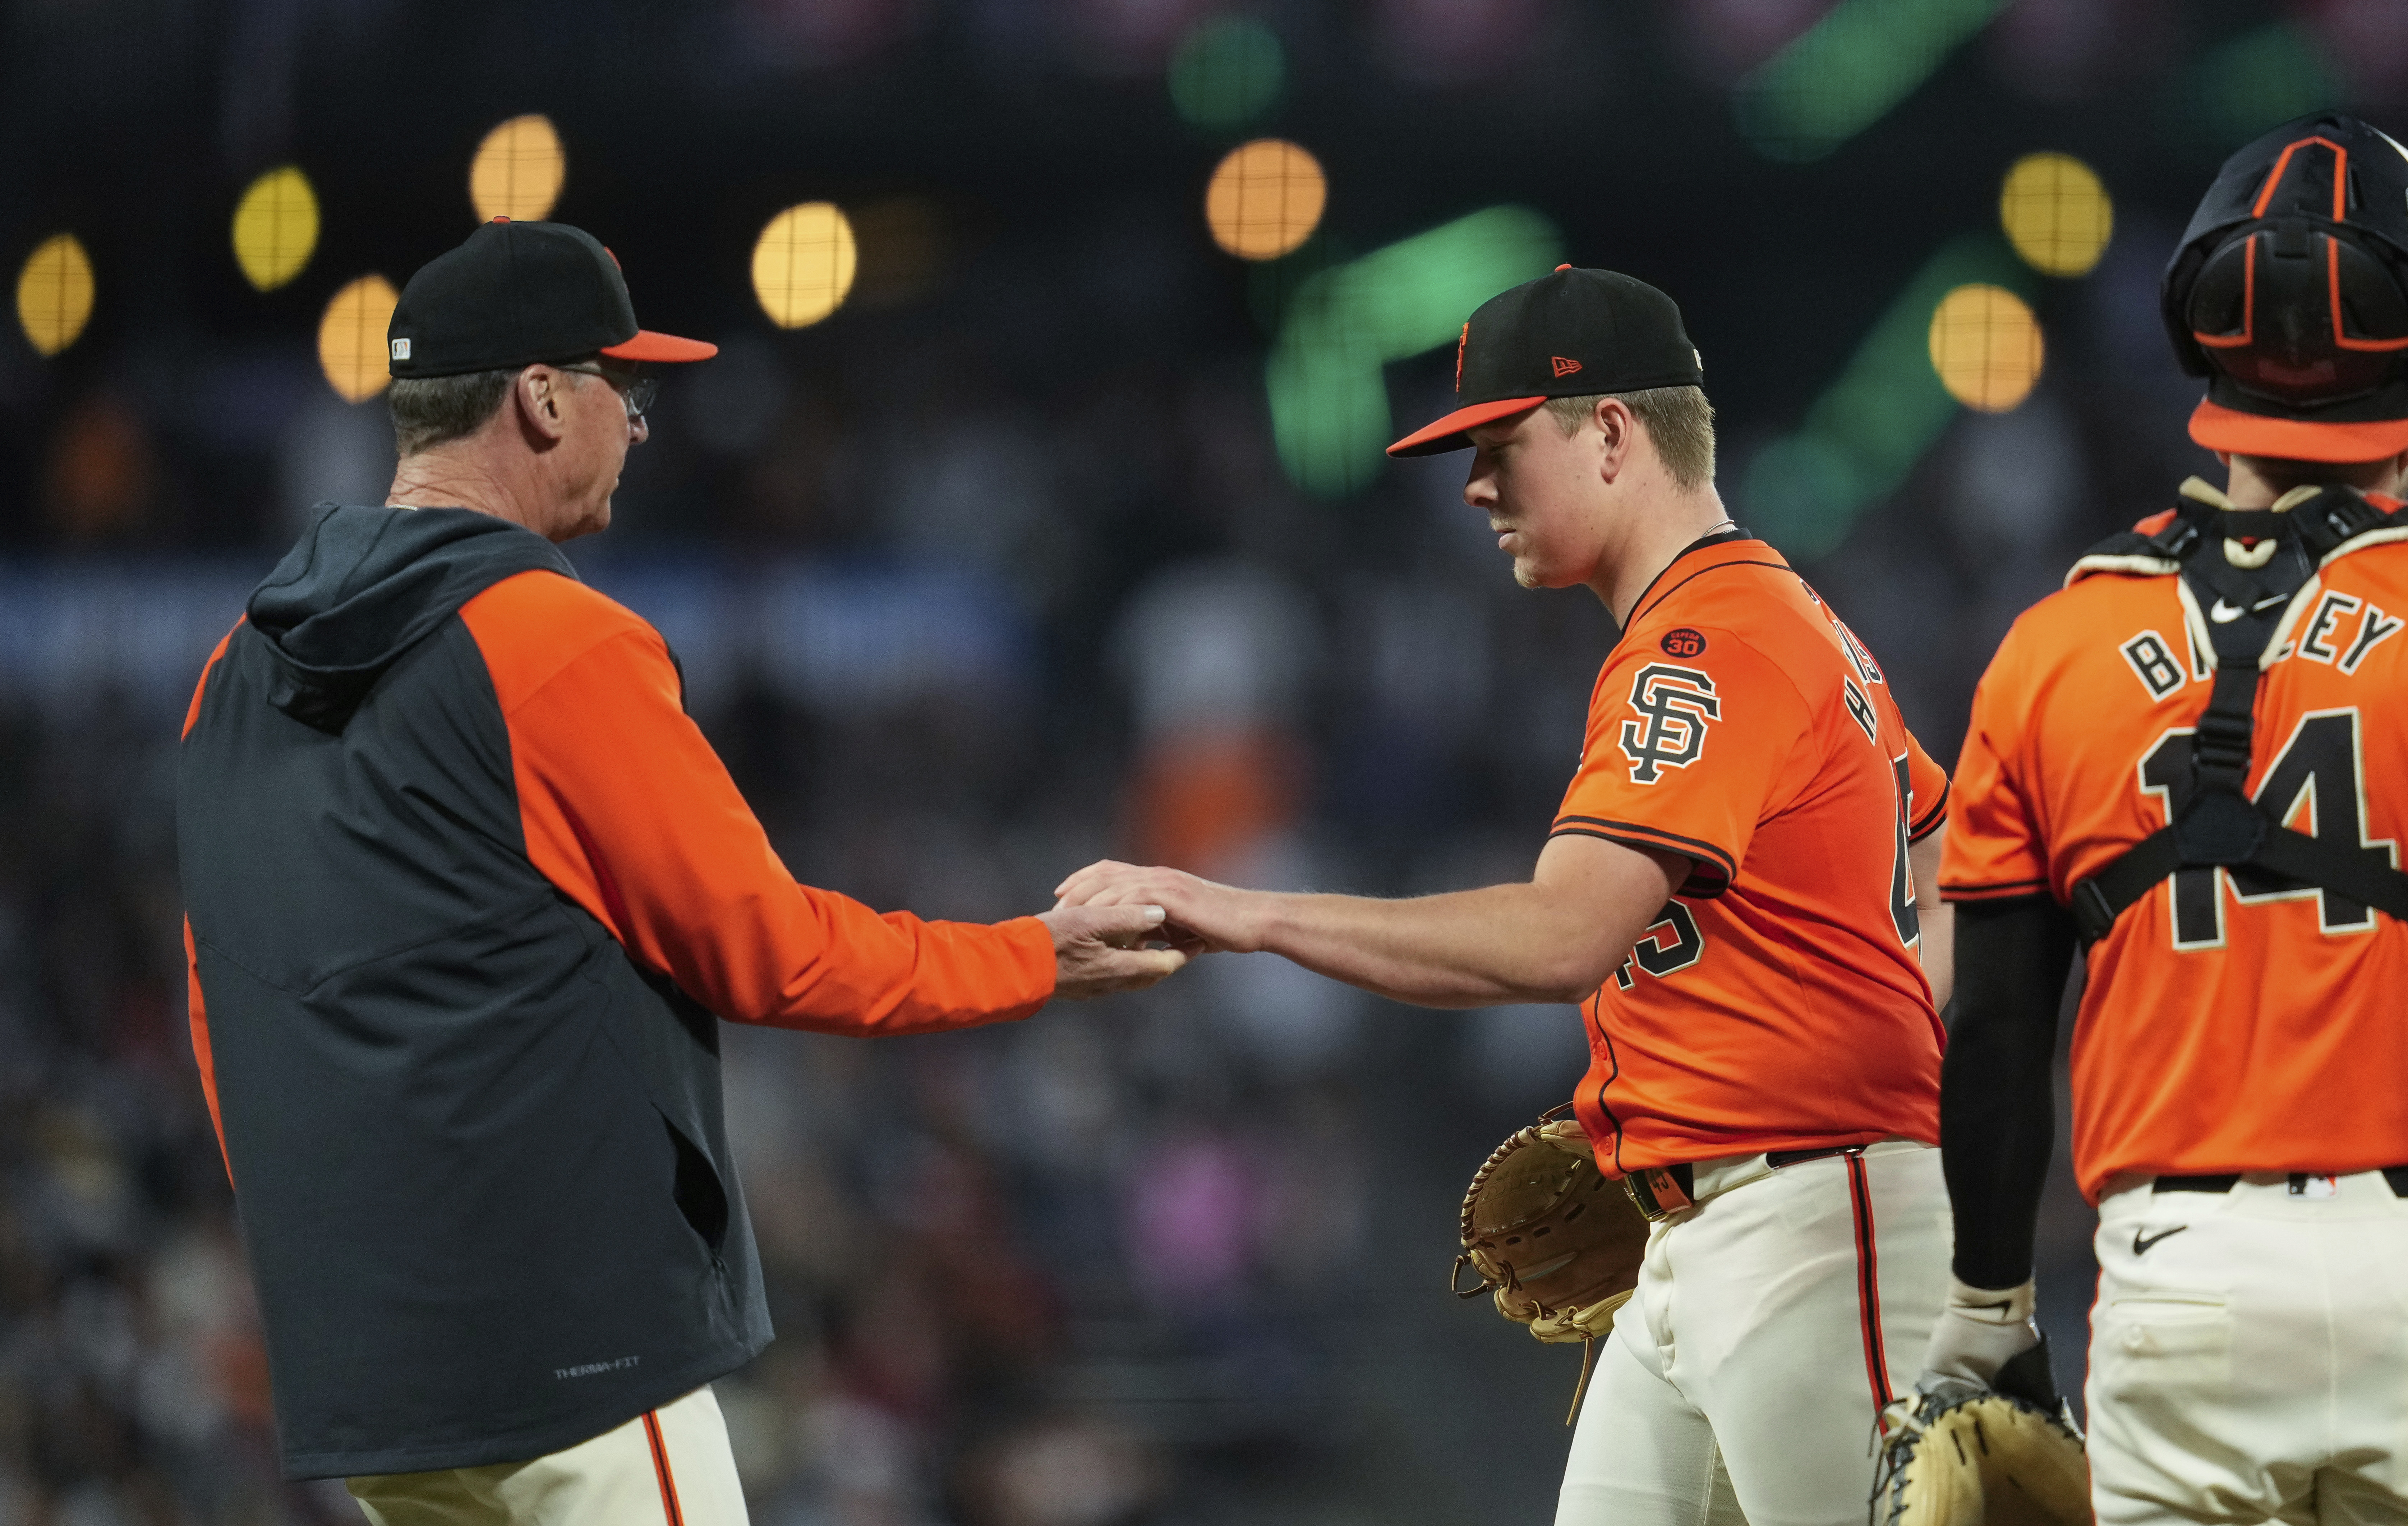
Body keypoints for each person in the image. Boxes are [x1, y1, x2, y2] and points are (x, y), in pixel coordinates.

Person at [175, 217, 1188, 1525]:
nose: (641, 423)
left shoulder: (231, 673)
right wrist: (1037, 954)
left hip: (369, 1372)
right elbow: (771, 949)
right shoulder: (548, 635)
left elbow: (228, 1010)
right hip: (571, 1349)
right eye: (623, 384)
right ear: (541, 398)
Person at [1057, 266, 1957, 1526]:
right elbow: (1943, 848)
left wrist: (1249, 913)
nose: (1475, 485)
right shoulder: (1783, 617)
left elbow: (1562, 936)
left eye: (1500, 444)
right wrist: (1869, 1020)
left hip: (1812, 1221)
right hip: (1711, 1221)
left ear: (1608, 433)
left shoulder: (1710, 642)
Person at [1927, 111, 2408, 1522]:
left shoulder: (2051, 646)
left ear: (2195, 344)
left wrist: (1985, 1304)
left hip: (2178, 1274)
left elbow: (1998, 1026)